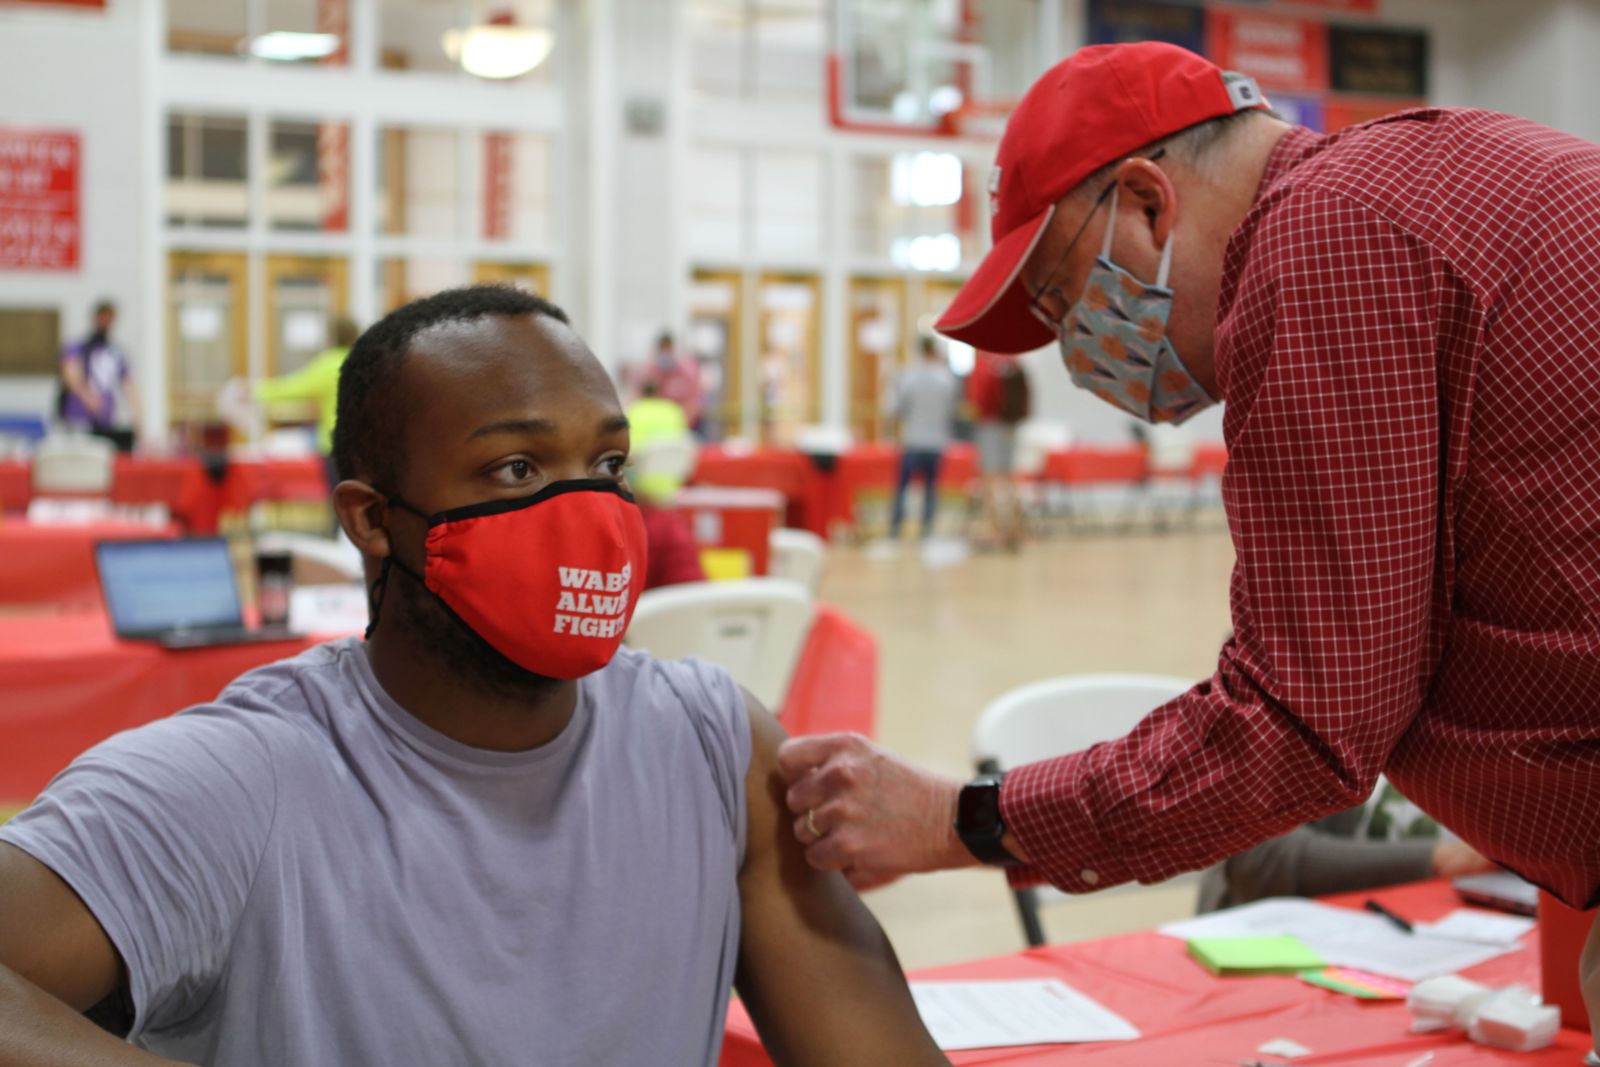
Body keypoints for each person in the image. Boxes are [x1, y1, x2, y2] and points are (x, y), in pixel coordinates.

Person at [773, 42, 1600, 1044]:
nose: (1078, 348)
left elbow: (1301, 724)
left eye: (1061, 295)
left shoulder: (1319, 243)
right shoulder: (1436, 174)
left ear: (1147, 201)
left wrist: (961, 817)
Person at [0, 286, 947, 1067]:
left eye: (606, 462)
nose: (583, 510)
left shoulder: (711, 745)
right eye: (517, 467)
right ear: (373, 520)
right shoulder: (240, 781)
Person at [1197, 778, 1495, 912]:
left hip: (1465, 933)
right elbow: (1256, 856)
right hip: (1274, 941)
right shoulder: (1320, 665)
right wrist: (1440, 858)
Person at [253, 316, 360, 489]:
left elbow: (294, 388)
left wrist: (257, 391)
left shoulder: (328, 365)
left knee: (339, 500)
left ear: (332, 337)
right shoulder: (364, 362)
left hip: (335, 445)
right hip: (362, 445)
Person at [626, 382, 708, 589]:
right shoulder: (673, 411)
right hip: (673, 486)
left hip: (642, 484)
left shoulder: (634, 411)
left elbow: (631, 452)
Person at [887, 336, 959, 541]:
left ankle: (896, 526)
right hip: (936, 441)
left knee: (903, 486)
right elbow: (951, 410)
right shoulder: (946, 378)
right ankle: (927, 527)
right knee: (930, 487)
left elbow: (897, 408)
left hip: (913, 439)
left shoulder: (908, 376)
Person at [966, 350, 1031, 551]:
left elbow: (977, 399)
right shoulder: (1014, 361)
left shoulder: (984, 364)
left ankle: (994, 529)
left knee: (990, 479)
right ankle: (1016, 529)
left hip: (989, 425)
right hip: (1011, 424)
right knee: (1010, 478)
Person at [59, 299, 140, 452]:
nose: (105, 322)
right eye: (102, 317)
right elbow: (71, 375)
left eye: (109, 318)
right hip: (79, 420)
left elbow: (130, 386)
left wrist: (138, 421)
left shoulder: (117, 352)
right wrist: (89, 398)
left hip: (105, 422)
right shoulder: (78, 347)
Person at [635, 330, 704, 431]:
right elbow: (641, 396)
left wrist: (684, 423)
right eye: (662, 349)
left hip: (683, 424)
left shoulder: (686, 372)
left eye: (668, 348)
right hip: (657, 424)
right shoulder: (651, 370)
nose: (665, 352)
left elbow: (693, 400)